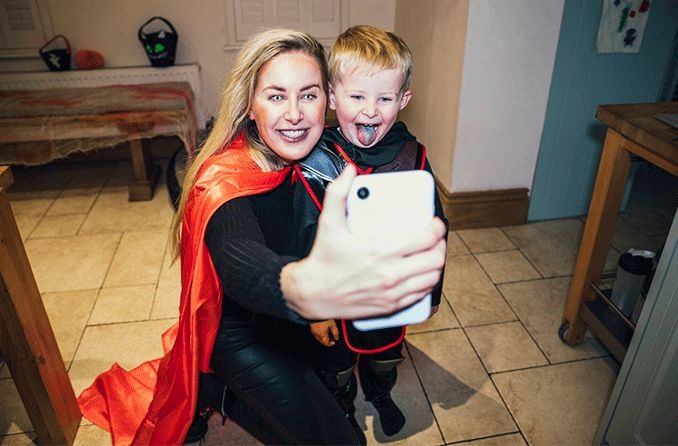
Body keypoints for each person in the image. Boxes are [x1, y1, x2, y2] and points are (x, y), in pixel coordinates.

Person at [77, 27, 447, 445]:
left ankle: (223, 395)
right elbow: (242, 260)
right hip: (244, 333)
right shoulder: (227, 177)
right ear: (249, 105)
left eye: (307, 95)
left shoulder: (324, 154)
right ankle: (220, 389)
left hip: (300, 322)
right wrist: (304, 290)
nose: (294, 113)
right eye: (275, 96)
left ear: (326, 98)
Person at [291, 24, 447, 440]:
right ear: (332, 94)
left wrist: (430, 291)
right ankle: (342, 406)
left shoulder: (414, 157)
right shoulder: (314, 159)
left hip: (389, 287)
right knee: (335, 363)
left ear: (403, 100)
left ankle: (380, 393)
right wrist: (315, 309)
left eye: (384, 98)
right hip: (337, 293)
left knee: (385, 356)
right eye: (357, 96)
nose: (370, 111)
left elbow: (435, 229)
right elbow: (303, 238)